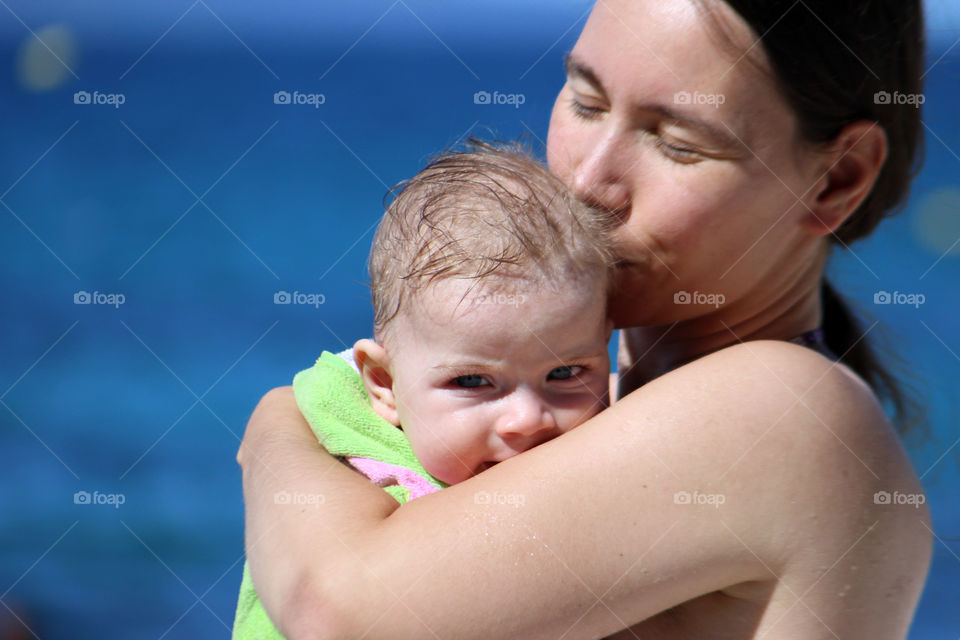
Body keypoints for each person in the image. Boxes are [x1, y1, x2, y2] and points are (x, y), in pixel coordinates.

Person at [237, 1, 933, 638]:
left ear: (838, 178)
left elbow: (341, 614)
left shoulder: (784, 410)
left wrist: (275, 424)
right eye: (585, 99)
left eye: (678, 143)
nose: (588, 184)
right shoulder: (593, 397)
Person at [233, 144, 614, 638]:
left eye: (565, 373)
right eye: (472, 382)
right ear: (385, 385)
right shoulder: (357, 471)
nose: (527, 418)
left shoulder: (628, 435)